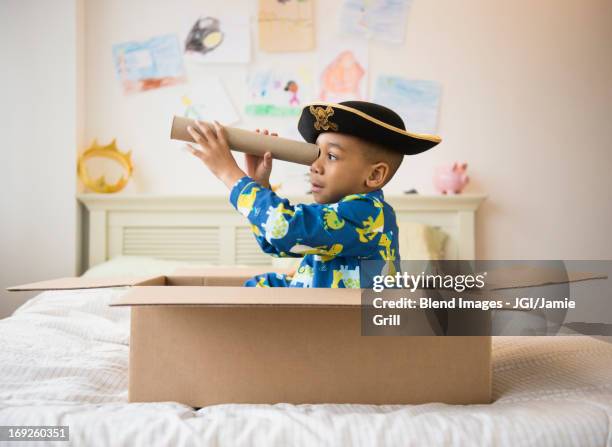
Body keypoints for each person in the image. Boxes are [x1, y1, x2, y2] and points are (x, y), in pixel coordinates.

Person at [186, 101, 441, 288]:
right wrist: (260, 184)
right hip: (320, 315)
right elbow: (276, 244)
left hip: (345, 335)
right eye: (316, 154)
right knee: (261, 286)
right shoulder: (339, 212)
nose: (315, 166)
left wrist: (229, 174)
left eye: (331, 156)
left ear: (374, 176)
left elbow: (283, 229)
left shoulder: (369, 214)